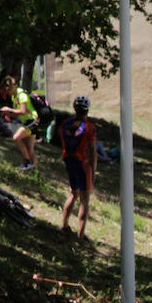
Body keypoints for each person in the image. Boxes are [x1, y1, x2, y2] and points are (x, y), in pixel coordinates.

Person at [60, 95, 97, 239]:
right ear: (87, 110)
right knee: (85, 200)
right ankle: (80, 235)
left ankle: (64, 224)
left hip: (69, 161)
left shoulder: (66, 123)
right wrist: (93, 171)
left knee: (73, 194)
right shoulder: (89, 127)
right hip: (83, 163)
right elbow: (93, 151)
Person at [0, 76, 38, 170]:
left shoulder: (21, 95)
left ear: (12, 87)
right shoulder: (14, 97)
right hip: (28, 122)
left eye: (8, 91)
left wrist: (9, 109)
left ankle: (27, 161)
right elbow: (17, 113)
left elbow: (23, 111)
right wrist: (7, 114)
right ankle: (36, 172)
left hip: (32, 121)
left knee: (16, 137)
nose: (7, 93)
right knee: (30, 149)